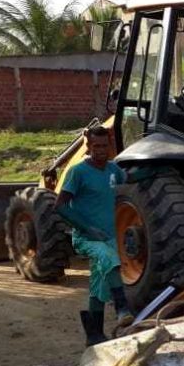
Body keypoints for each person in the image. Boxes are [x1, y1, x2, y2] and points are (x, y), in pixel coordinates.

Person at [54, 126, 131, 345]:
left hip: (109, 238)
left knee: (99, 288)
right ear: (88, 146)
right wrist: (87, 229)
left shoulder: (114, 170)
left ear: (110, 146)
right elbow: (59, 206)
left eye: (104, 146)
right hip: (86, 238)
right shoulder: (77, 172)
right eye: (95, 146)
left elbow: (130, 181)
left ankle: (94, 335)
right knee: (109, 259)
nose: (100, 150)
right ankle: (122, 307)